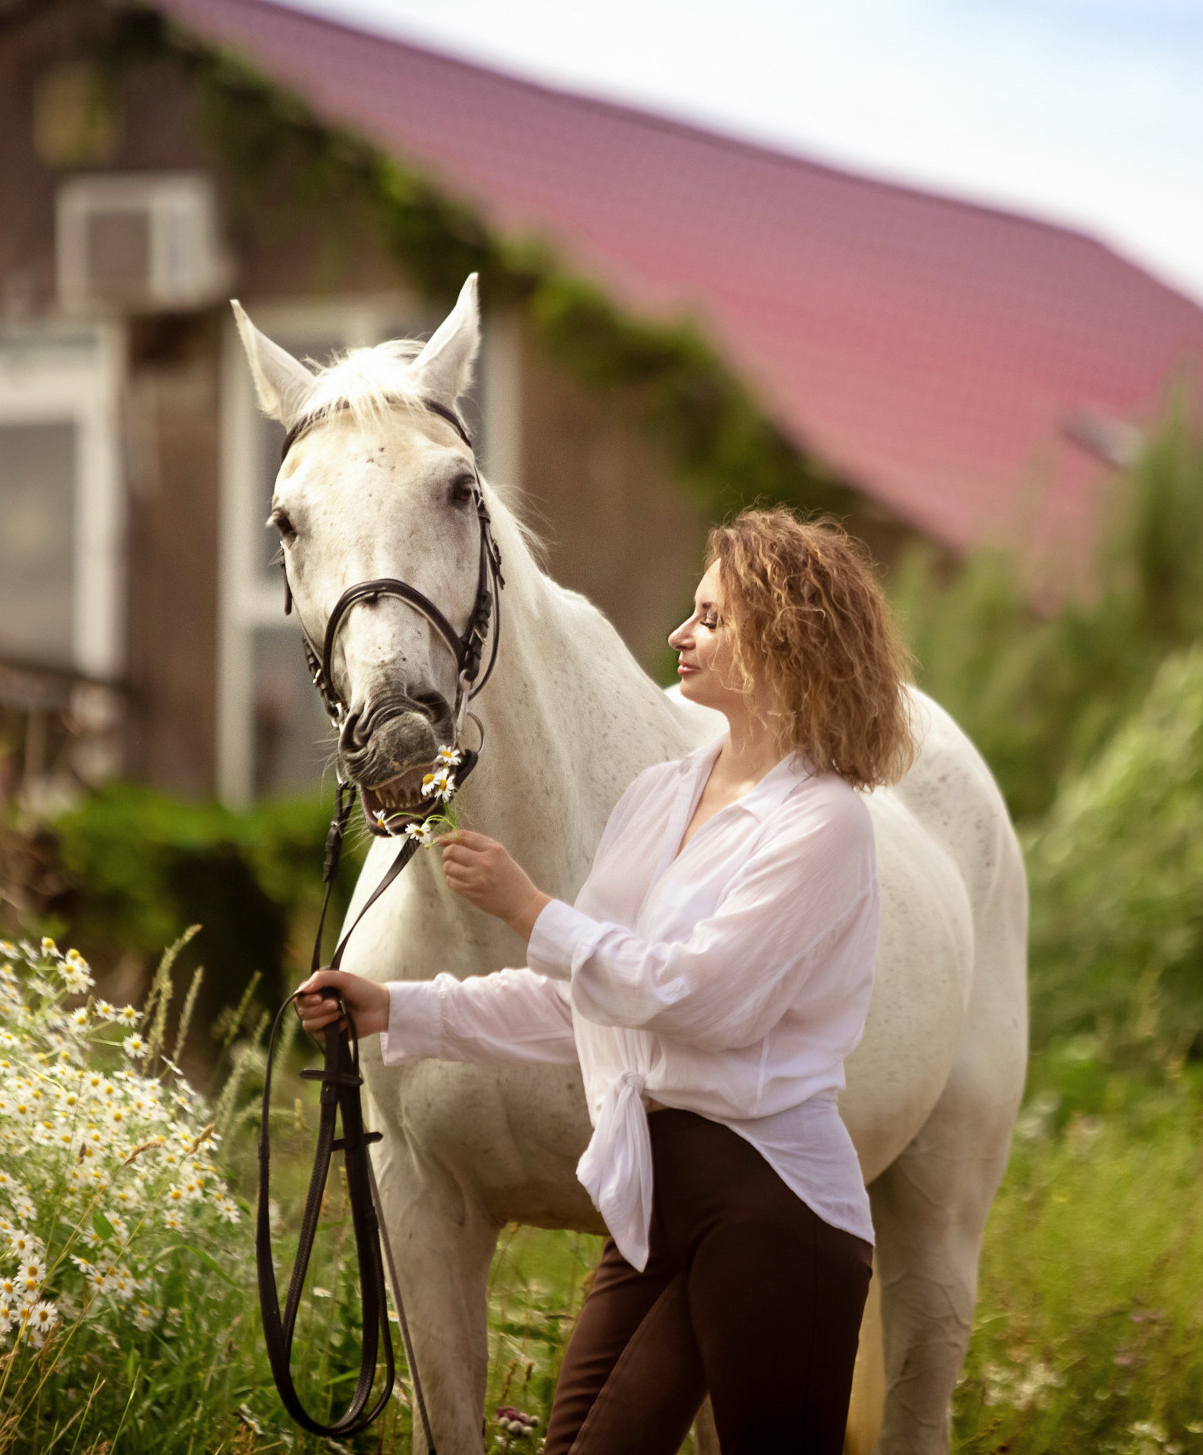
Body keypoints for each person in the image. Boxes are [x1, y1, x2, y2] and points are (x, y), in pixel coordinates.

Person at [295, 506, 920, 1455]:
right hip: (652, 1194)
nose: (681, 633)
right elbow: (590, 996)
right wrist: (396, 1009)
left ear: (785, 642)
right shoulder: (662, 796)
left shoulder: (822, 825)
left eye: (711, 618)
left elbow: (698, 999)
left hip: (772, 1201)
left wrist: (527, 908)